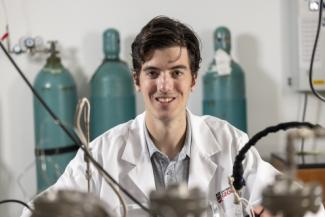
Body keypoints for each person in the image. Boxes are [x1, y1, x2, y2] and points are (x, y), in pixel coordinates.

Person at [21, 16, 325, 217]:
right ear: (137, 80)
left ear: (193, 79)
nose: (164, 86)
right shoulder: (102, 154)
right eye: (152, 73)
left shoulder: (230, 143)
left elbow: (313, 210)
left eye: (176, 72)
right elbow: (33, 212)